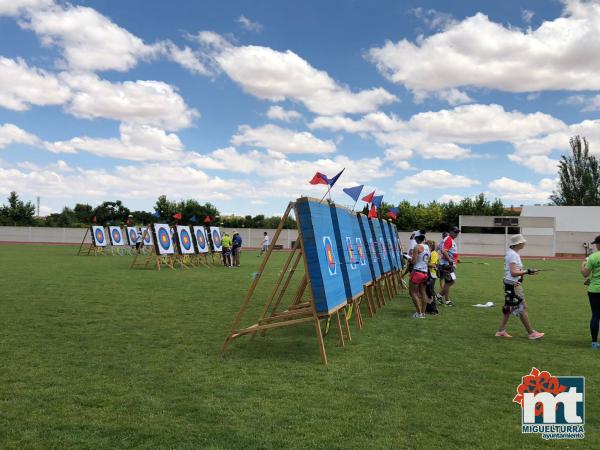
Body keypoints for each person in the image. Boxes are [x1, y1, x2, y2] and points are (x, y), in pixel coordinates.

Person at [496, 234, 544, 340]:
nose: (524, 243)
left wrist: (527, 272)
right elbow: (513, 272)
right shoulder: (513, 255)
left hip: (509, 283)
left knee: (508, 308)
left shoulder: (511, 253)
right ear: (517, 244)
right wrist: (528, 271)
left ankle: (501, 331)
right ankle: (531, 333)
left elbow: (514, 271)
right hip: (513, 285)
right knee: (522, 308)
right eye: (522, 242)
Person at [581, 235, 600, 349]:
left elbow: (585, 274)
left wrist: (582, 264)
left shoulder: (593, 257)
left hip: (595, 290)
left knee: (596, 315)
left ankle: (594, 342)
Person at [409, 231, 430, 318]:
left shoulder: (417, 247)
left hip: (417, 271)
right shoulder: (427, 247)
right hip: (425, 272)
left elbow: (414, 261)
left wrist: (409, 259)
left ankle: (419, 313)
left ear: (417, 238)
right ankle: (423, 313)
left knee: (413, 293)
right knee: (423, 292)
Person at [438, 227, 459, 306]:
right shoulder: (449, 239)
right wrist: (450, 260)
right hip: (446, 265)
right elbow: (444, 251)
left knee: (451, 281)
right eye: (455, 232)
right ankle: (447, 300)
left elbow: (446, 251)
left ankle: (439, 295)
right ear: (450, 231)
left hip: (447, 264)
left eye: (457, 232)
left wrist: (454, 259)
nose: (456, 233)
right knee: (449, 282)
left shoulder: (449, 239)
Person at [425, 240, 440, 314]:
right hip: (429, 274)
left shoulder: (433, 253)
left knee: (430, 292)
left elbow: (433, 264)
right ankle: (429, 308)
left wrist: (423, 262)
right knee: (427, 292)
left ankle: (434, 309)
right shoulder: (430, 253)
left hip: (431, 275)